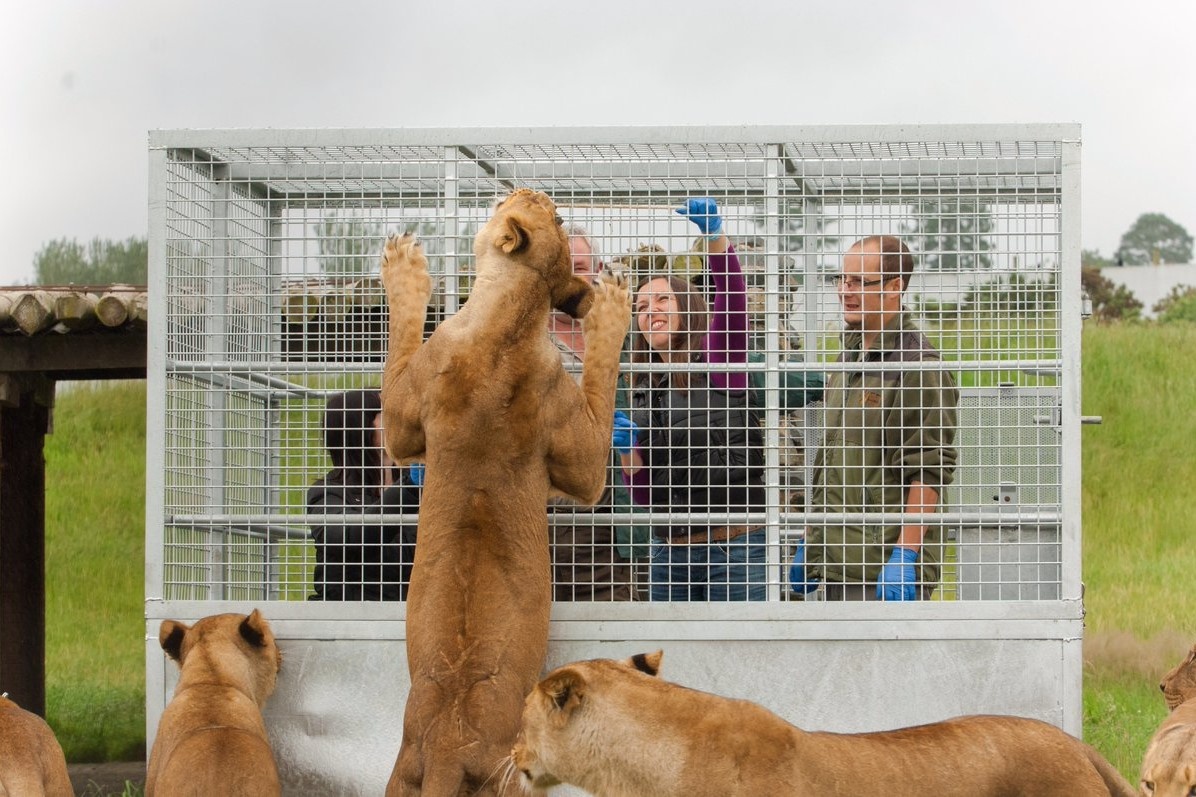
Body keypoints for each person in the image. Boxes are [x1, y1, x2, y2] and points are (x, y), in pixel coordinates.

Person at [790, 235, 959, 601]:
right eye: (842, 279)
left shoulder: (917, 366)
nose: (844, 291)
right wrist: (811, 538)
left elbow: (929, 470)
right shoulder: (846, 361)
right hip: (837, 561)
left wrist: (905, 554)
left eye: (859, 282)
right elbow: (832, 460)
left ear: (895, 286)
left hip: (880, 566)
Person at [618, 198, 768, 601]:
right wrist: (628, 454)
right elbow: (646, 496)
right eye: (642, 307)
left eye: (663, 300)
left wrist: (714, 238)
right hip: (668, 552)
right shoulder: (645, 388)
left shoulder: (719, 361)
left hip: (733, 546)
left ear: (687, 307)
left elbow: (733, 298)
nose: (651, 311)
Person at [546, 226, 643, 601]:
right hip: (550, 506)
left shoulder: (625, 333)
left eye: (580, 265)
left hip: (618, 505)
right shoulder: (528, 338)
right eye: (562, 267)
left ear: (597, 269)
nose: (571, 276)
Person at [307, 389, 422, 601]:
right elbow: (352, 537)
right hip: (347, 619)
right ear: (361, 426)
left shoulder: (418, 487)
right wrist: (408, 489)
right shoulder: (327, 492)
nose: (399, 419)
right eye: (386, 413)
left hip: (408, 615)